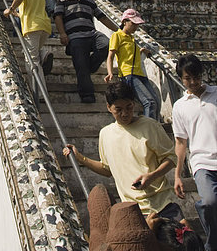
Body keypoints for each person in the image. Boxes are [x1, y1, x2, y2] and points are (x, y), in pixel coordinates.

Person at [63, 81, 184, 220]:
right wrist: (80, 158)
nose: (125, 113)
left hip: (163, 205)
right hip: (132, 211)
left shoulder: (150, 126)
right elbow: (107, 170)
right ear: (109, 108)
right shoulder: (106, 134)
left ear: (134, 103)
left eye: (129, 107)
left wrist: (152, 176)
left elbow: (171, 158)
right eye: (118, 109)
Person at [172, 54, 217, 251]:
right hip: (202, 163)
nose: (193, 82)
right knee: (208, 202)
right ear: (181, 79)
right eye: (187, 78)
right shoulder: (180, 106)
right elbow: (181, 142)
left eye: (196, 76)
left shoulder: (216, 94)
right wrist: (177, 174)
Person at [54, 0, 117, 103]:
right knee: (81, 65)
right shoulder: (62, 1)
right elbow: (58, 17)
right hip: (75, 37)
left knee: (106, 44)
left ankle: (89, 66)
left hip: (92, 34)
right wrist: (62, 33)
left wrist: (119, 30)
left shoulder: (89, 1)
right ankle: (87, 94)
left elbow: (102, 17)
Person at [3, 0, 52, 94]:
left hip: (32, 27)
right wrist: (16, 14)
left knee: (31, 61)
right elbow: (32, 10)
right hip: (44, 26)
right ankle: (43, 52)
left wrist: (10, 8)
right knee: (34, 54)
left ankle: (40, 93)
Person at [105, 8, 160, 120]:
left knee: (156, 100)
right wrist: (110, 72)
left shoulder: (132, 38)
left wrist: (142, 51)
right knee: (149, 102)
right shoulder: (117, 36)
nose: (135, 27)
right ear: (125, 22)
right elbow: (110, 56)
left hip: (140, 73)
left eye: (137, 24)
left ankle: (154, 125)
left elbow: (129, 53)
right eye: (133, 23)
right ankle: (148, 128)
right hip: (128, 74)